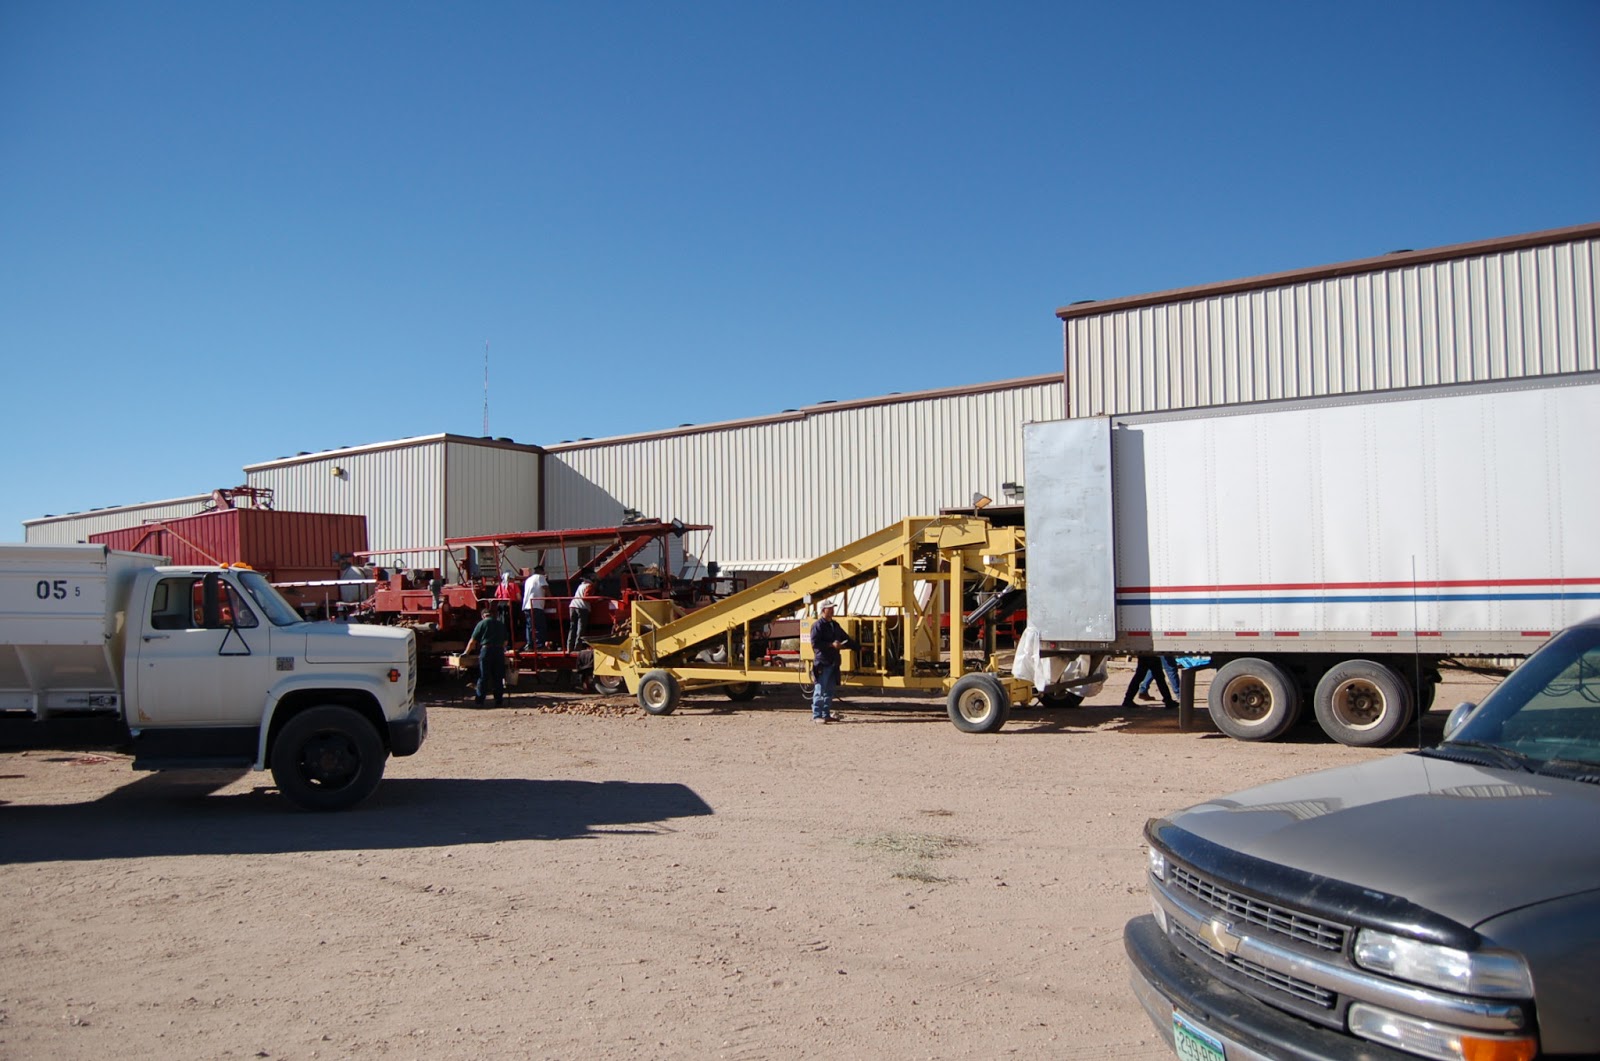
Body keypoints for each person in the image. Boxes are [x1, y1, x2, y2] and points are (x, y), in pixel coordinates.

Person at [808, 601, 856, 723]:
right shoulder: (817, 625)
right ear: (823, 610)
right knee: (820, 689)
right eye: (829, 609)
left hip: (833, 662)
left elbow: (845, 638)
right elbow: (815, 644)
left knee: (829, 690)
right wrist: (831, 645)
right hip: (823, 662)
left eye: (833, 608)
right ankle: (817, 715)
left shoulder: (835, 625)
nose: (832, 611)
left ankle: (826, 714)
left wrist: (859, 648)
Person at [463, 602, 510, 707]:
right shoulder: (500, 624)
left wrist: (466, 653)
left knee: (484, 676)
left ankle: (480, 701)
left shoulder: (482, 624)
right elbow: (506, 642)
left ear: (483, 616)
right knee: (498, 677)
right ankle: (499, 701)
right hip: (499, 652)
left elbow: (473, 641)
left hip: (486, 650)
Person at [523, 564, 551, 648]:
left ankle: (529, 644)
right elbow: (545, 587)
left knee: (529, 626)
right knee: (539, 625)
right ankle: (539, 644)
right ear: (541, 571)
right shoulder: (540, 577)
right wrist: (551, 598)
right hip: (536, 605)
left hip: (527, 605)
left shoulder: (528, 579)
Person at [567, 570, 594, 651]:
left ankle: (569, 647)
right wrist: (596, 600)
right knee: (580, 628)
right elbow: (586, 597)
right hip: (582, 607)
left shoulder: (580, 586)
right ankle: (577, 647)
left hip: (572, 606)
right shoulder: (589, 585)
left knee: (572, 627)